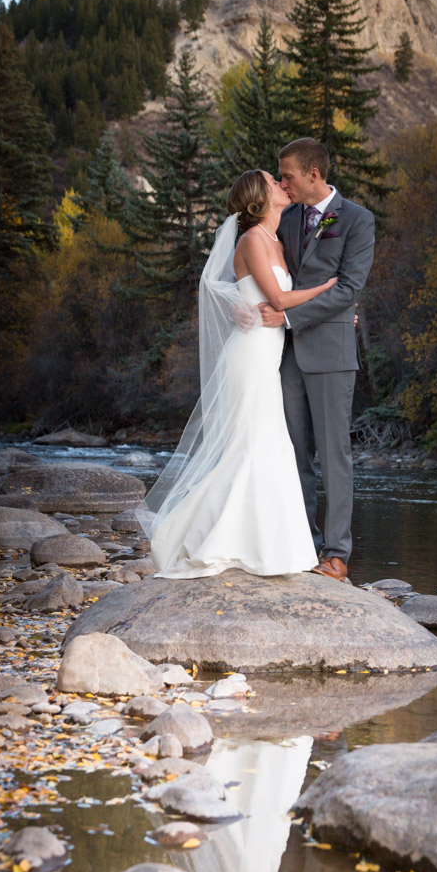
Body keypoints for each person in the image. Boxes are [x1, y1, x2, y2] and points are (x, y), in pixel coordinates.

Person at [138, 169, 337, 579]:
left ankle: (268, 546)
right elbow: (279, 298)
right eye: (272, 180)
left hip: (270, 355)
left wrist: (336, 312)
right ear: (259, 199)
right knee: (249, 446)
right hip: (249, 356)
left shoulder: (276, 239)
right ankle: (214, 539)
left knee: (268, 446)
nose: (282, 184)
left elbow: (263, 299)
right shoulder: (251, 240)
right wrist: (329, 291)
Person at [257, 138, 376, 583]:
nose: (282, 181)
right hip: (285, 357)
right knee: (294, 455)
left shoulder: (358, 220)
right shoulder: (285, 219)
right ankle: (301, 545)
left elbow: (348, 288)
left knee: (334, 455)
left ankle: (336, 554)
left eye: (286, 174)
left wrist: (287, 317)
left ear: (313, 174)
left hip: (329, 353)